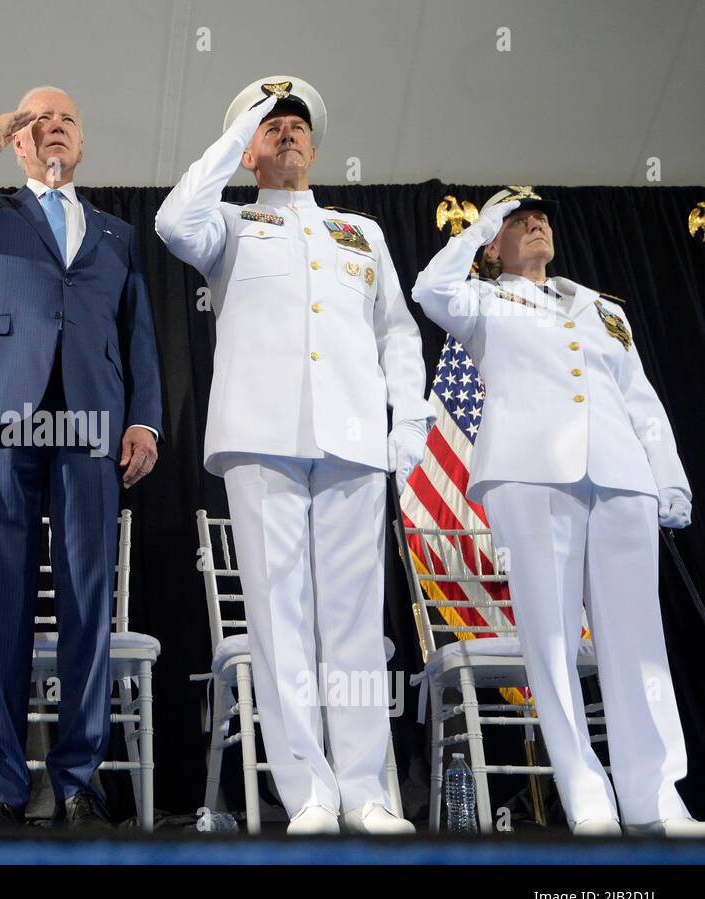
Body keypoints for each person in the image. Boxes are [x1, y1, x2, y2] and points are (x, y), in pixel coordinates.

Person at [155, 76, 432, 835]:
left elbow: (398, 333)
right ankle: (307, 790)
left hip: (351, 437)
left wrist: (407, 423)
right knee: (279, 616)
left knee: (351, 622)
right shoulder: (231, 223)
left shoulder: (360, 232)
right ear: (247, 145)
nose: (286, 132)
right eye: (270, 125)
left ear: (316, 143)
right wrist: (232, 132)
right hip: (262, 435)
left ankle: (365, 790)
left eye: (296, 123)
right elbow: (172, 220)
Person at [0, 86, 163, 830]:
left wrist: (144, 420)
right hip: (0, 415)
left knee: (87, 603)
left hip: (90, 424)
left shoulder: (116, 234)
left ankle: (79, 781)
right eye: (36, 121)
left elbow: (138, 332)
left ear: (81, 144)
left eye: (66, 120)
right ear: (18, 142)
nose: (52, 129)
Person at [411, 188, 704, 837]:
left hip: (621, 473)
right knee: (551, 643)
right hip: (531, 473)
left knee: (638, 643)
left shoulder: (600, 306)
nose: (535, 222)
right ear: (494, 243)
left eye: (539, 216)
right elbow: (430, 289)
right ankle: (586, 792)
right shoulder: (481, 298)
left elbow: (641, 396)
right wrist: (482, 224)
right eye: (518, 220)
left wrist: (668, 474)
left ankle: (656, 796)